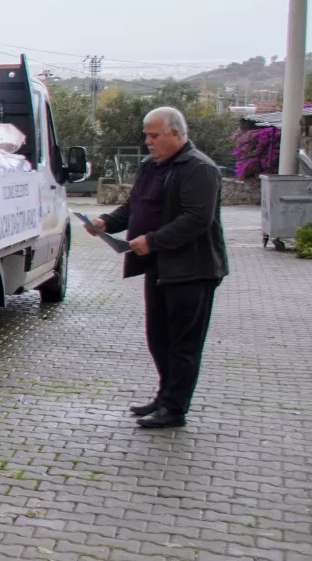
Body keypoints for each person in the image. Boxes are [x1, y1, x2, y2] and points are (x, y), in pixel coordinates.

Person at [85, 106, 228, 429]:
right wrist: (106, 221)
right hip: (159, 267)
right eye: (146, 135)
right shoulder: (152, 166)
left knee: (183, 344)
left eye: (154, 135)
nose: (148, 142)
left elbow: (197, 219)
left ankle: (175, 408)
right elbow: (135, 206)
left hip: (193, 270)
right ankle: (165, 396)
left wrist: (153, 240)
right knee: (158, 337)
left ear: (176, 134)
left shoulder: (199, 168)